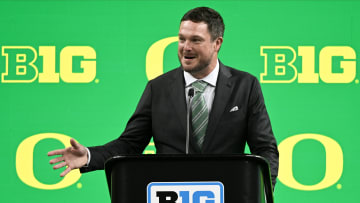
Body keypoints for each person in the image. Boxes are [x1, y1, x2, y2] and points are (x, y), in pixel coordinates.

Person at [48, 7, 279, 188]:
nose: (185, 47)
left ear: (217, 43)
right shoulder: (158, 88)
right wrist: (89, 156)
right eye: (181, 39)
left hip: (228, 194)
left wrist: (260, 194)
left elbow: (266, 149)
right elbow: (129, 144)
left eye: (195, 40)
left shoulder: (245, 86)